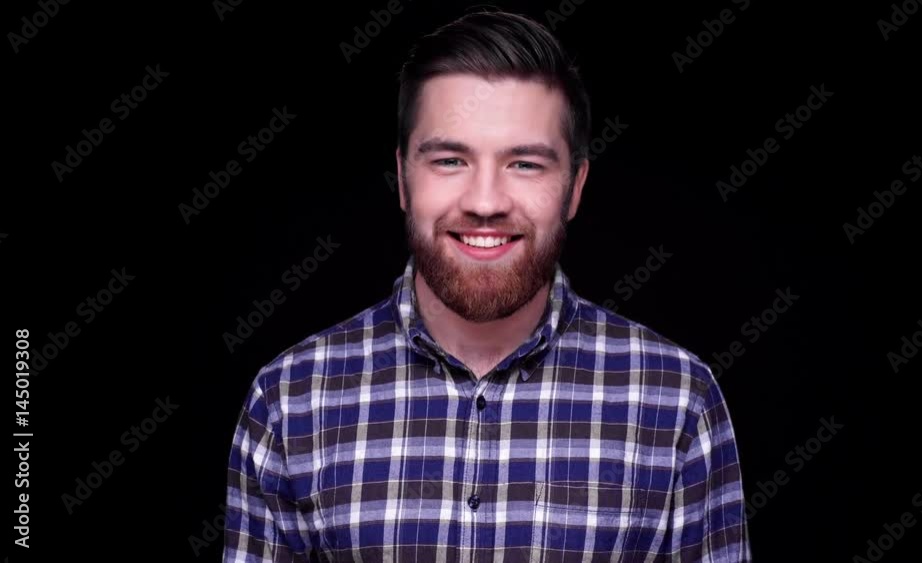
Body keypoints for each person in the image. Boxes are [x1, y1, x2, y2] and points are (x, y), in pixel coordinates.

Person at [224, 10, 751, 562]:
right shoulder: (289, 401)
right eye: (450, 160)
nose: (484, 202)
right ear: (403, 178)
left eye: (524, 164)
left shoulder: (678, 399)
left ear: (575, 188)